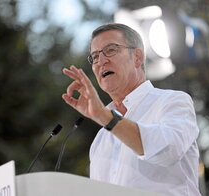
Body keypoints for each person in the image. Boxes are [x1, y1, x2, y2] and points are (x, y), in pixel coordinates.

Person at [62, 23, 201, 196]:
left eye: (111, 50)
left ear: (137, 57)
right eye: (95, 56)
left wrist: (105, 117)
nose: (101, 61)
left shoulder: (172, 101)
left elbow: (168, 151)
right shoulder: (101, 139)